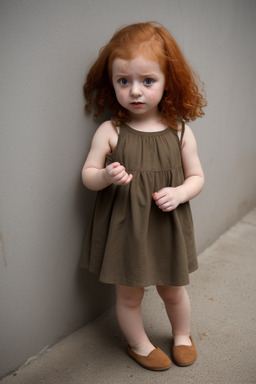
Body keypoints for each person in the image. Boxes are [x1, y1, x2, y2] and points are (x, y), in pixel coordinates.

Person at [80, 21, 206, 371]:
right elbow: (88, 177)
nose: (135, 91)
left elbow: (197, 177)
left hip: (165, 224)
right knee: (129, 294)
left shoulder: (179, 131)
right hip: (126, 228)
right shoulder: (111, 131)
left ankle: (182, 335)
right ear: (113, 82)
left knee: (173, 288)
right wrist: (105, 175)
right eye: (124, 81)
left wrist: (180, 193)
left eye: (147, 81)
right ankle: (139, 344)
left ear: (168, 82)